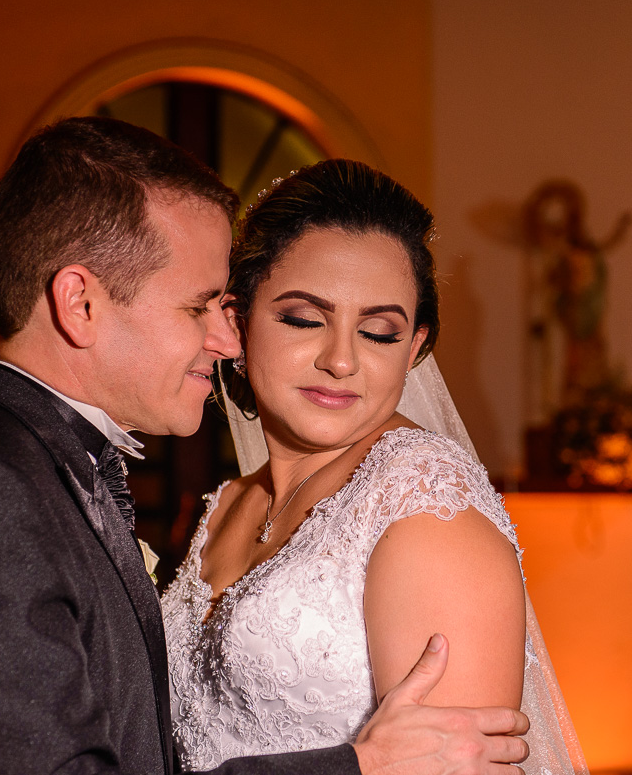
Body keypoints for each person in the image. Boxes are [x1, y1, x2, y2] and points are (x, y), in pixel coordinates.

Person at [0, 118, 530, 774]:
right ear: (81, 302)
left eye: (378, 330)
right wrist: (356, 767)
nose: (220, 339)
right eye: (203, 306)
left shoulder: (424, 504)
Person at [162, 159, 586, 775]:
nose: (341, 360)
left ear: (415, 348)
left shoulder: (427, 506)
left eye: (379, 333)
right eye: (305, 320)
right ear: (238, 319)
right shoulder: (226, 504)